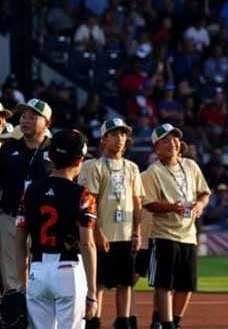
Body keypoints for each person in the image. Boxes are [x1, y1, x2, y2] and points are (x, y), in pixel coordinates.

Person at [15, 129, 98, 329]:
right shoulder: (83, 195)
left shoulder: (31, 190)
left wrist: (22, 283)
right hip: (68, 269)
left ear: (50, 156)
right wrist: (92, 293)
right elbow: (87, 244)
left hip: (37, 270)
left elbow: (19, 239)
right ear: (79, 160)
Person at [141, 124, 211, 329]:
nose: (172, 143)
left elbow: (204, 193)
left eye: (174, 139)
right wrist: (173, 207)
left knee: (186, 285)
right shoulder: (152, 172)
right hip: (163, 233)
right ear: (156, 148)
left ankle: (172, 321)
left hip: (188, 233)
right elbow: (149, 204)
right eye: (165, 140)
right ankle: (167, 323)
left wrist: (200, 205)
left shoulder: (190, 165)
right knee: (164, 284)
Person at [78, 119, 144, 329]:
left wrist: (137, 232)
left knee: (126, 283)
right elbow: (91, 203)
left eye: (123, 134)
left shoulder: (132, 167)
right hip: (103, 234)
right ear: (104, 140)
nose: (120, 139)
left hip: (126, 234)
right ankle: (93, 320)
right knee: (98, 282)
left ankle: (123, 321)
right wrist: (98, 233)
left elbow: (137, 202)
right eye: (114, 135)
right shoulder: (94, 166)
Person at [0, 98, 54, 292]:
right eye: (23, 116)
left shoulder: (55, 150)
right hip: (10, 218)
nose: (25, 121)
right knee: (11, 276)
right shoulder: (8, 148)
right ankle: (14, 309)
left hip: (43, 222)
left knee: (40, 274)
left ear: (47, 123)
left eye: (32, 117)